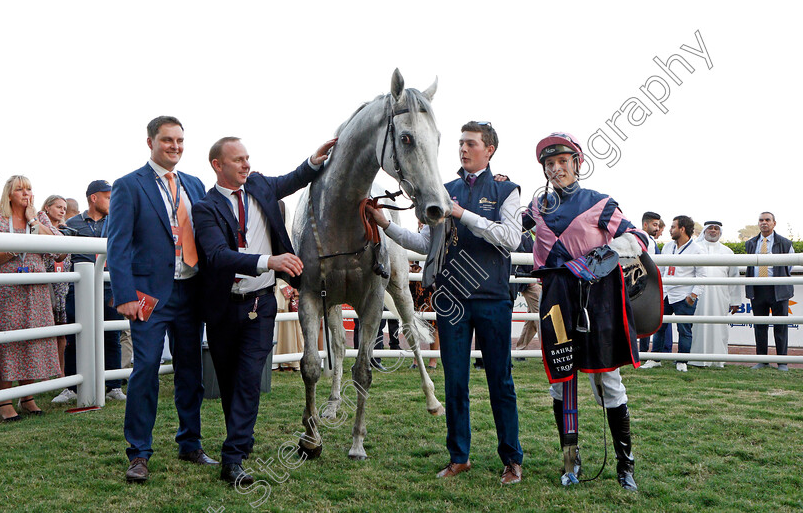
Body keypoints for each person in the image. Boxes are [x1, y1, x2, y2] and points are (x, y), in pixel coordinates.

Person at [368, 121, 524, 485]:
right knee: (455, 382)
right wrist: (386, 225)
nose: (463, 149)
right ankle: (459, 457)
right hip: (451, 298)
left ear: (490, 149)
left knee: (500, 382)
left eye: (471, 144)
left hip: (492, 297)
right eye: (461, 143)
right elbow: (424, 244)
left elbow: (510, 238)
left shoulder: (506, 189)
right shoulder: (442, 189)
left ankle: (512, 459)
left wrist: (461, 214)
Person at [192, 135, 336, 485]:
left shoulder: (258, 184)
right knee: (229, 381)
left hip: (261, 304)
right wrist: (267, 260)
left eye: (247, 158)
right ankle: (240, 439)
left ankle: (233, 457)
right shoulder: (204, 208)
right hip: (223, 308)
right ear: (218, 165)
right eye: (238, 159)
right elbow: (216, 256)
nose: (246, 165)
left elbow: (293, 179)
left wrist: (314, 161)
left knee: (248, 380)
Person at [520, 132, 642, 491]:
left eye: (563, 161)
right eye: (550, 163)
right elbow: (510, 231)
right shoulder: (535, 207)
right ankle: (570, 461)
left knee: (607, 380)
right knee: (560, 380)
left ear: (577, 164)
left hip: (597, 299)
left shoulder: (600, 202)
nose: (556, 168)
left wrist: (598, 257)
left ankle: (625, 466)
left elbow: (637, 238)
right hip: (556, 300)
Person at [107, 116, 217, 483]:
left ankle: (190, 443)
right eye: (167, 140)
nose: (175, 146)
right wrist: (123, 295)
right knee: (146, 371)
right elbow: (118, 244)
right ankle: (138, 452)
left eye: (180, 140)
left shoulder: (195, 184)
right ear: (151, 141)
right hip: (149, 297)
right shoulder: (128, 185)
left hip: (191, 291)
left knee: (191, 373)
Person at [0, 175, 62, 421]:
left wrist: (33, 221)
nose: (26, 194)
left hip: (34, 292)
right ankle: (3, 401)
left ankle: (27, 397)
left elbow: (59, 249)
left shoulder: (40, 219)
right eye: (20, 190)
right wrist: (15, 248)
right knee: (7, 342)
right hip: (5, 291)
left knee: (31, 341)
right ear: (9, 194)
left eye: (29, 189)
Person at [52, 180, 126, 404]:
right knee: (75, 337)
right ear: (94, 198)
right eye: (108, 197)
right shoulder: (73, 223)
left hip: (110, 286)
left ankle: (113, 386)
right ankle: (71, 388)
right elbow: (61, 255)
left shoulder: (118, 222)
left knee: (112, 336)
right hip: (79, 288)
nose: (112, 201)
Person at [642, 215, 706, 372]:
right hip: (665, 294)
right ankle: (655, 358)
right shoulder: (668, 246)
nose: (669, 230)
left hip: (683, 295)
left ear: (682, 229)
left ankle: (682, 361)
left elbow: (702, 275)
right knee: (659, 327)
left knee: (684, 330)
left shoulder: (697, 250)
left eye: (673, 227)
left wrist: (693, 296)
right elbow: (661, 271)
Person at [745, 212, 795, 371]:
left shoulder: (785, 243)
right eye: (761, 220)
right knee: (760, 326)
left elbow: (790, 266)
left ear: (774, 223)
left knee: (781, 327)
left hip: (778, 288)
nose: (764, 223)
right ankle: (762, 360)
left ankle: (782, 363)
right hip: (758, 289)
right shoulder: (751, 243)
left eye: (767, 220)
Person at [689, 221, 740, 368]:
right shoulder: (696, 249)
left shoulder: (728, 252)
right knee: (697, 327)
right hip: (698, 296)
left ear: (720, 232)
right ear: (704, 231)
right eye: (710, 228)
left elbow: (734, 277)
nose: (713, 231)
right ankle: (695, 359)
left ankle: (717, 361)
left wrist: (735, 301)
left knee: (719, 328)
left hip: (720, 297)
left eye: (716, 229)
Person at [40, 195, 71, 376]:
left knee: (62, 333)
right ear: (47, 207)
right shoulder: (40, 224)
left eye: (64, 208)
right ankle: (45, 373)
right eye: (58, 207)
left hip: (63, 287)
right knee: (47, 332)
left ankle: (60, 371)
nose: (62, 211)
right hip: (46, 284)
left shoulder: (65, 230)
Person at [637, 212, 660, 352]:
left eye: (658, 225)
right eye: (654, 224)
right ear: (645, 224)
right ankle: (641, 351)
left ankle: (643, 351)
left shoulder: (650, 239)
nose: (657, 228)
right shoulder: (643, 238)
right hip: (644, 284)